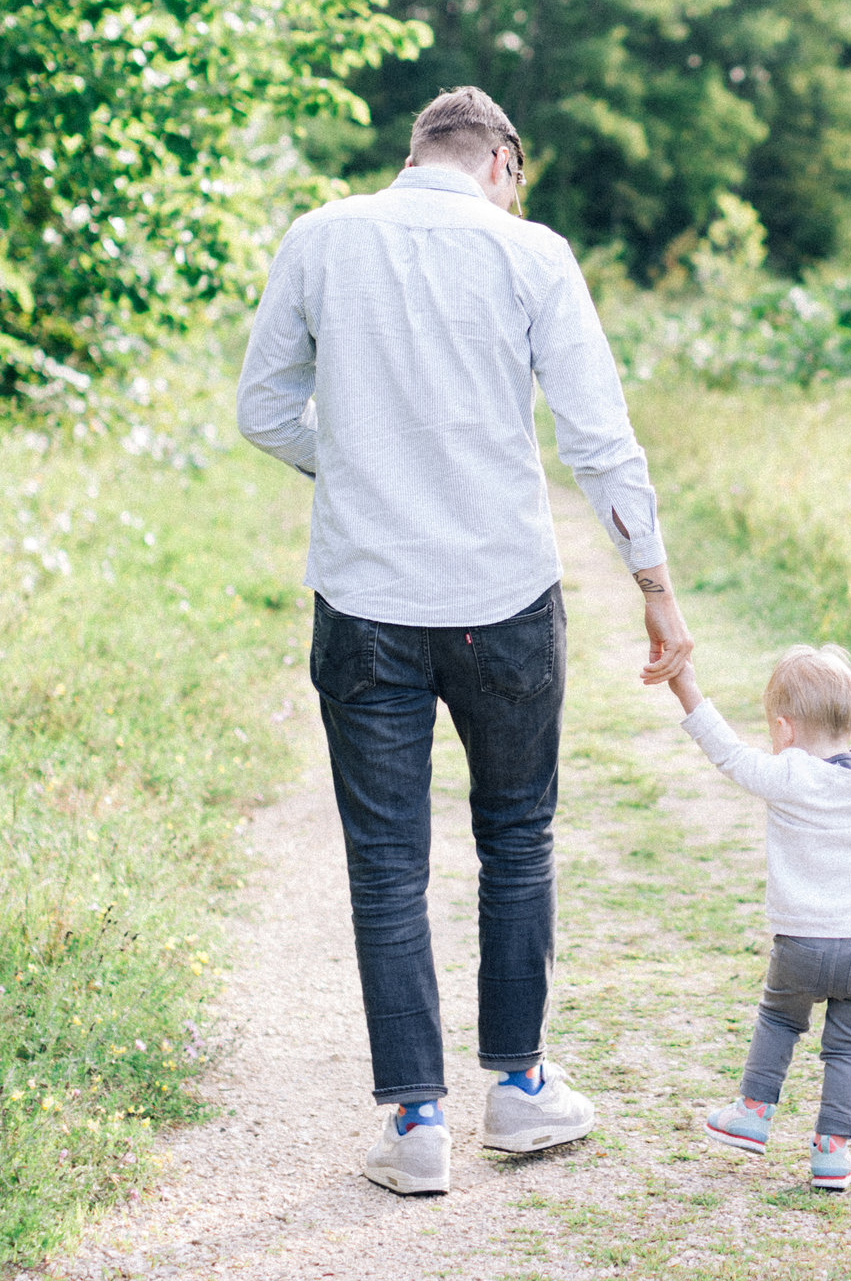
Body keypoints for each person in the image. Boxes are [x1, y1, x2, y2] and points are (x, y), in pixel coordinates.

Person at [236, 86, 695, 1199]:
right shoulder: (531, 253)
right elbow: (598, 437)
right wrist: (656, 590)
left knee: (387, 861)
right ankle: (522, 1090)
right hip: (503, 594)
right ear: (504, 160)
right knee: (516, 838)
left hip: (365, 599)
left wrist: (350, 468)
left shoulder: (321, 236)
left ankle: (414, 1120)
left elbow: (262, 409)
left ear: (415, 155)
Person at [669, 643, 851, 1193]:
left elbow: (727, 753)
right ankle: (833, 1153)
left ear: (784, 729)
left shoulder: (789, 775)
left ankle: (754, 1111)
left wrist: (687, 689)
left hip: (802, 945)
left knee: (781, 1020)